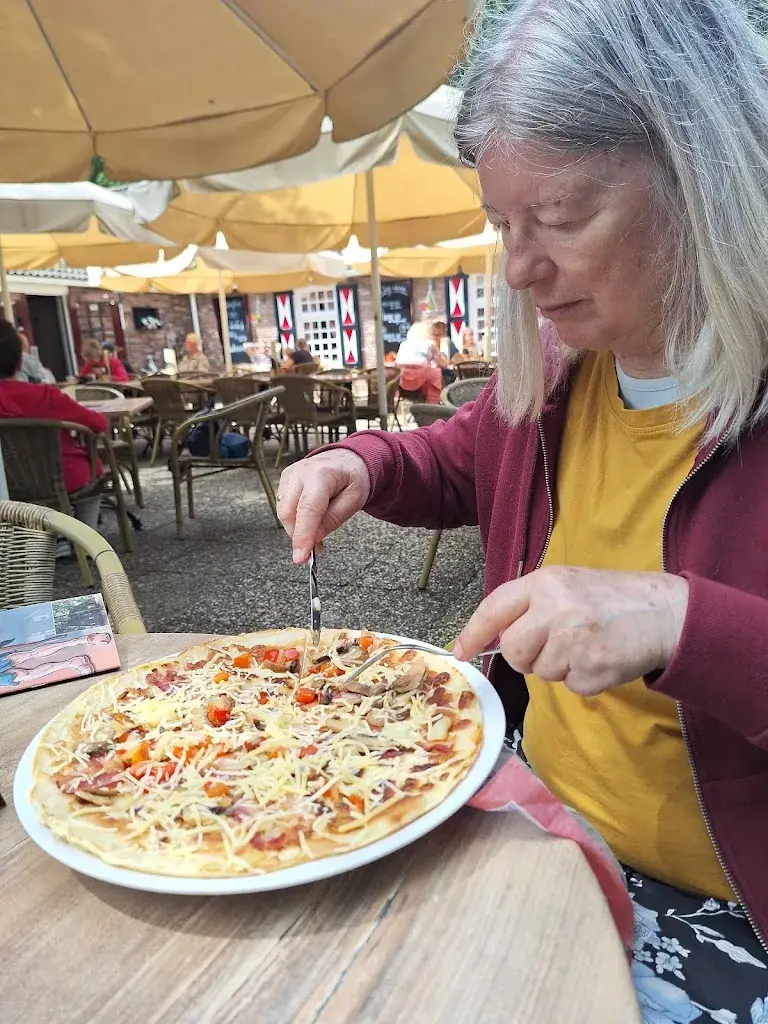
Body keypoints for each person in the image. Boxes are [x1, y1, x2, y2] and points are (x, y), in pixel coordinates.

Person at [276, 1, 768, 1016]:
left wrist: (680, 619)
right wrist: (362, 463)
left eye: (562, 217)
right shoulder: (561, 374)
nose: (518, 266)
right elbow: (458, 458)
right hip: (527, 826)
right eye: (504, 224)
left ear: (704, 177)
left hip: (725, 913)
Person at [0, 320, 107, 542]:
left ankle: (31, 539)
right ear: (21, 362)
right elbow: (98, 424)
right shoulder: (46, 396)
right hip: (58, 474)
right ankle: (84, 539)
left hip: (5, 482)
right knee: (93, 468)